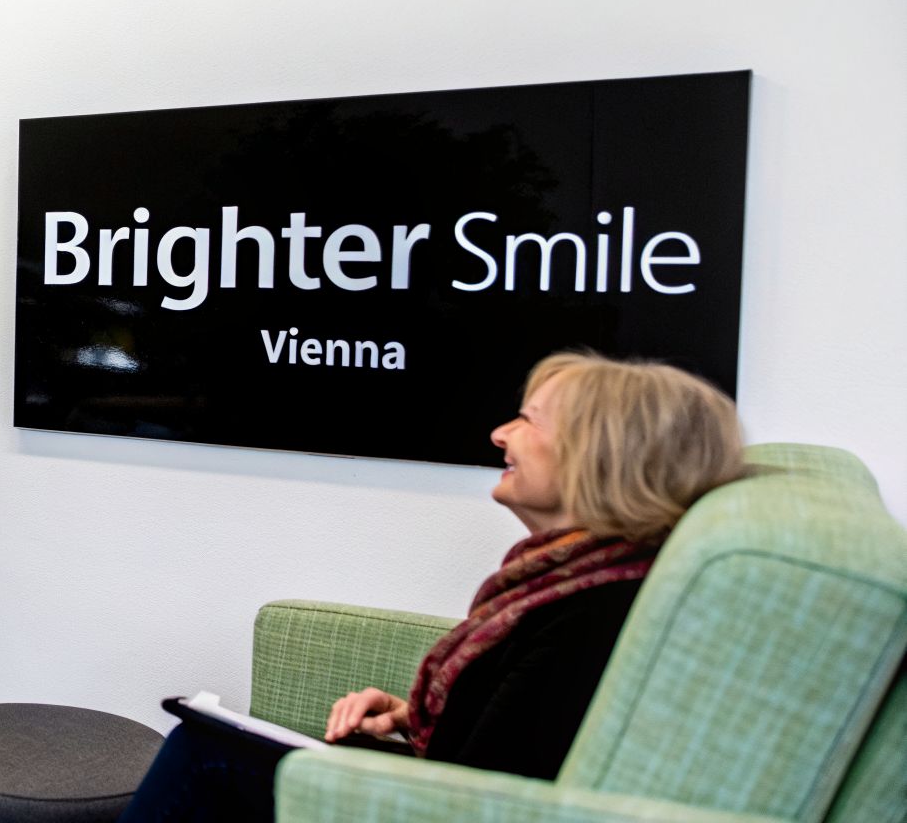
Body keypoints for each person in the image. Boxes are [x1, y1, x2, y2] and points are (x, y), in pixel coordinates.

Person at [117, 352, 745, 823]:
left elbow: (478, 796)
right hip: (435, 788)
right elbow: (506, 742)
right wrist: (404, 719)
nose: (501, 435)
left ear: (600, 456)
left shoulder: (593, 614)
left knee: (204, 751)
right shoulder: (574, 579)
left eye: (527, 420)